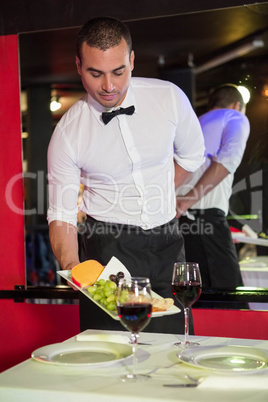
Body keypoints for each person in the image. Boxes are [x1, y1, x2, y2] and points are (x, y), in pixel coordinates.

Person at [47, 17, 205, 333]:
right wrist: (75, 269)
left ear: (132, 60)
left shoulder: (168, 97)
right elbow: (62, 216)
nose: (109, 85)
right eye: (96, 73)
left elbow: (191, 157)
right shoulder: (67, 133)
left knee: (172, 358)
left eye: (118, 71)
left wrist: (155, 194)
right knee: (112, 360)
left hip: (167, 246)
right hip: (108, 252)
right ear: (79, 66)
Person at [176, 84, 250, 290]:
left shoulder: (195, 123)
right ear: (237, 104)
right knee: (228, 298)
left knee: (194, 297)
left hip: (181, 224)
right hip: (204, 220)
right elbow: (229, 159)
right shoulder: (235, 117)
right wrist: (187, 200)